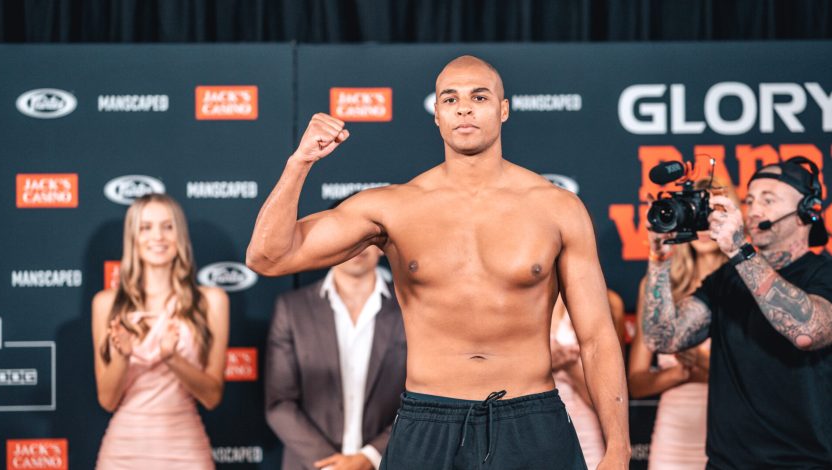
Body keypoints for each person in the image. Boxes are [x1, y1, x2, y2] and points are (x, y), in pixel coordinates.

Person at [246, 55, 629, 469]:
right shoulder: (395, 207)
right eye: (450, 99)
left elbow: (596, 337)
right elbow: (268, 256)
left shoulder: (558, 208)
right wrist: (298, 163)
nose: (464, 107)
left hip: (531, 417)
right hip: (429, 421)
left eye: (478, 96)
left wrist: (619, 448)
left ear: (503, 109)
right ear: (437, 115)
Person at [641, 157, 832, 468]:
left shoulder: (824, 273)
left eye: (768, 200)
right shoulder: (728, 278)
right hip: (725, 463)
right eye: (751, 200)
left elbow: (807, 331)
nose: (754, 211)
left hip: (803, 463)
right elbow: (664, 338)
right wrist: (659, 258)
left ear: (806, 212)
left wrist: (739, 249)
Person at [92, 194, 229, 470]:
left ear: (180, 235)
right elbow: (107, 401)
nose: (159, 236)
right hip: (123, 452)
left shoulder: (212, 300)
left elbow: (212, 397)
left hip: (185, 450)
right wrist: (122, 355)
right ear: (133, 238)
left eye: (168, 226)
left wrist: (173, 359)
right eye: (146, 227)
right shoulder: (106, 303)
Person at [265, 244, 406, 470]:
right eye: (347, 237)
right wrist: (332, 465)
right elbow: (279, 403)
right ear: (329, 242)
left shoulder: (409, 307)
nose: (356, 245)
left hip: (390, 462)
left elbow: (423, 396)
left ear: (381, 245)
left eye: (365, 237)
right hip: (311, 464)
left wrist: (370, 456)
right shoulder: (292, 309)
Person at [629, 178, 738, 469]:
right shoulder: (658, 285)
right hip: (672, 440)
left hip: (733, 435)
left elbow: (761, 380)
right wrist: (681, 372)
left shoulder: (746, 282)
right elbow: (636, 383)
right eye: (694, 211)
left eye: (710, 211)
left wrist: (700, 366)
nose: (703, 224)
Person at [550, 291, 626, 470]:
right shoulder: (519, 298)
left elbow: (613, 398)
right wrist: (543, 362)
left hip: (584, 433)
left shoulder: (606, 301)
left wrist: (567, 364)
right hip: (532, 429)